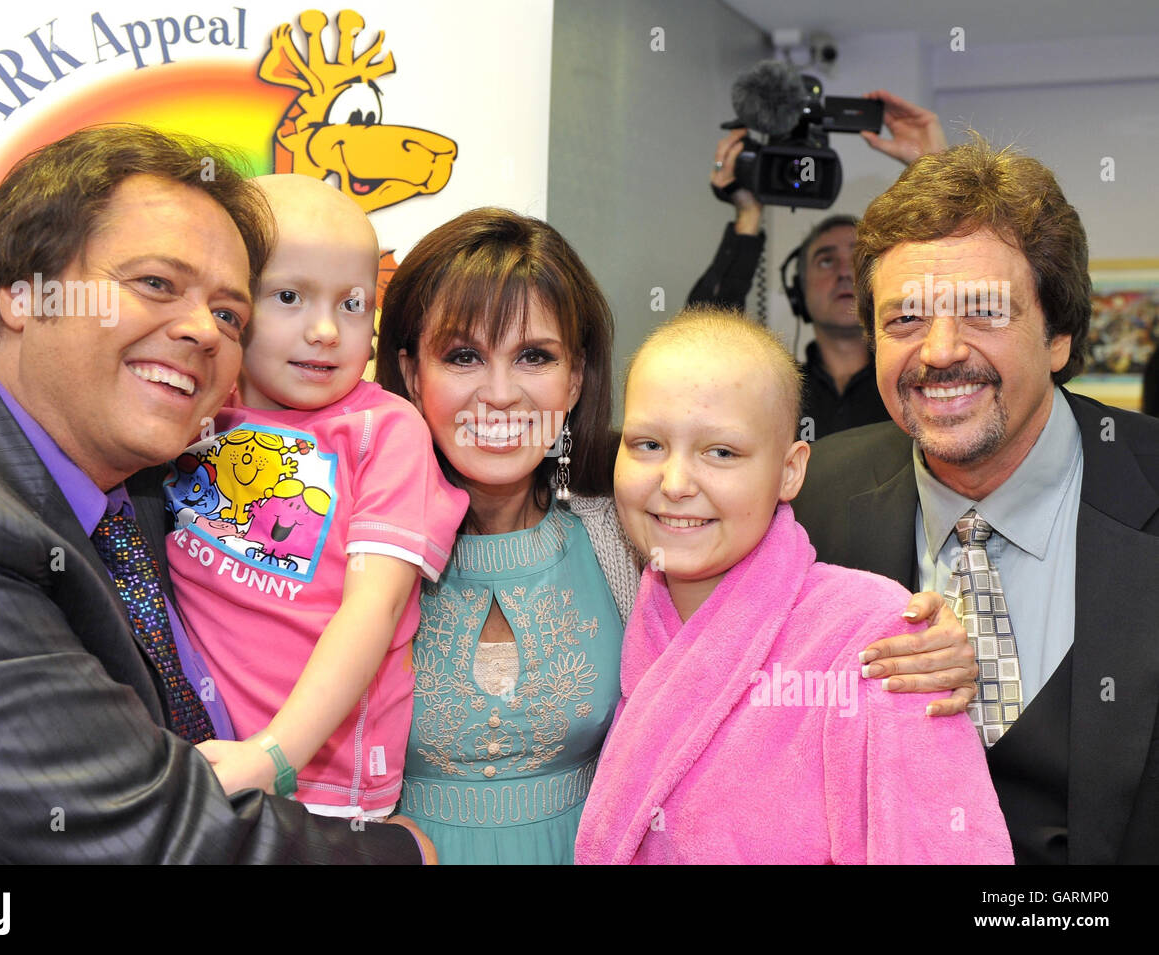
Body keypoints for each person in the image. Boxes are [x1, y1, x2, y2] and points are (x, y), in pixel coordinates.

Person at [0, 126, 429, 863]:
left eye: (229, 314)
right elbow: (136, 835)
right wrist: (404, 854)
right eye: (157, 284)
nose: (200, 330)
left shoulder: (149, 469)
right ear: (23, 291)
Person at [373, 208, 981, 865]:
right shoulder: (353, 550)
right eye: (463, 355)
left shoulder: (629, 531)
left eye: (533, 356)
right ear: (411, 373)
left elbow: (779, 610)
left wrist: (922, 637)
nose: (499, 392)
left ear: (574, 377)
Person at [792, 136, 1159, 864]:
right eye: (904, 320)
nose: (937, 351)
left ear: (1058, 333)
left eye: (982, 312)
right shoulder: (810, 502)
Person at [574, 308, 1012, 864]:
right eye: (647, 445)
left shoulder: (878, 637)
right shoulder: (626, 611)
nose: (676, 483)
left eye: (721, 452)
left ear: (790, 471)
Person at [163, 174, 467, 818]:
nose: (326, 330)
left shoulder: (383, 432)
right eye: (291, 296)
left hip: (318, 783)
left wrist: (275, 753)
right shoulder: (195, 408)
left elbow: (373, 610)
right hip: (189, 755)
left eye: (353, 304)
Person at [688, 90, 947, 439]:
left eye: (855, 259)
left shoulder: (919, 377)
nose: (844, 272)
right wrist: (748, 214)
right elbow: (701, 337)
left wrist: (937, 169)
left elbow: (961, 271)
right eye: (825, 260)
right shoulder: (773, 387)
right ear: (797, 291)